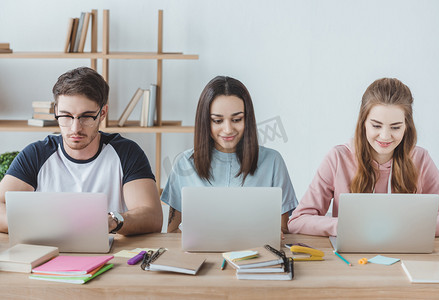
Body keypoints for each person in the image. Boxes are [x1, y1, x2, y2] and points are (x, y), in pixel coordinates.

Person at [0, 67, 163, 235]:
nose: (75, 128)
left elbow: (152, 216)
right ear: (56, 112)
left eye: (86, 116)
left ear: (103, 113)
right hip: (50, 252)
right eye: (66, 116)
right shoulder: (36, 154)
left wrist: (113, 221)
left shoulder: (126, 152)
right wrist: (38, 224)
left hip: (109, 255)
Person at [288, 77, 439, 236]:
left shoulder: (420, 158)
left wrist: (406, 227)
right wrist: (345, 226)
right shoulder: (338, 158)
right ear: (363, 122)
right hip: (353, 258)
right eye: (376, 125)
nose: (385, 136)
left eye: (395, 127)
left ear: (407, 126)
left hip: (407, 255)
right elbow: (298, 220)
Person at [161, 76, 298, 233]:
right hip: (197, 256)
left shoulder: (273, 161)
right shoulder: (184, 163)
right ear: (205, 121)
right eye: (218, 121)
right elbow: (171, 232)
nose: (228, 129)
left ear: (248, 119)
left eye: (237, 119)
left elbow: (283, 229)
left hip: (258, 255)